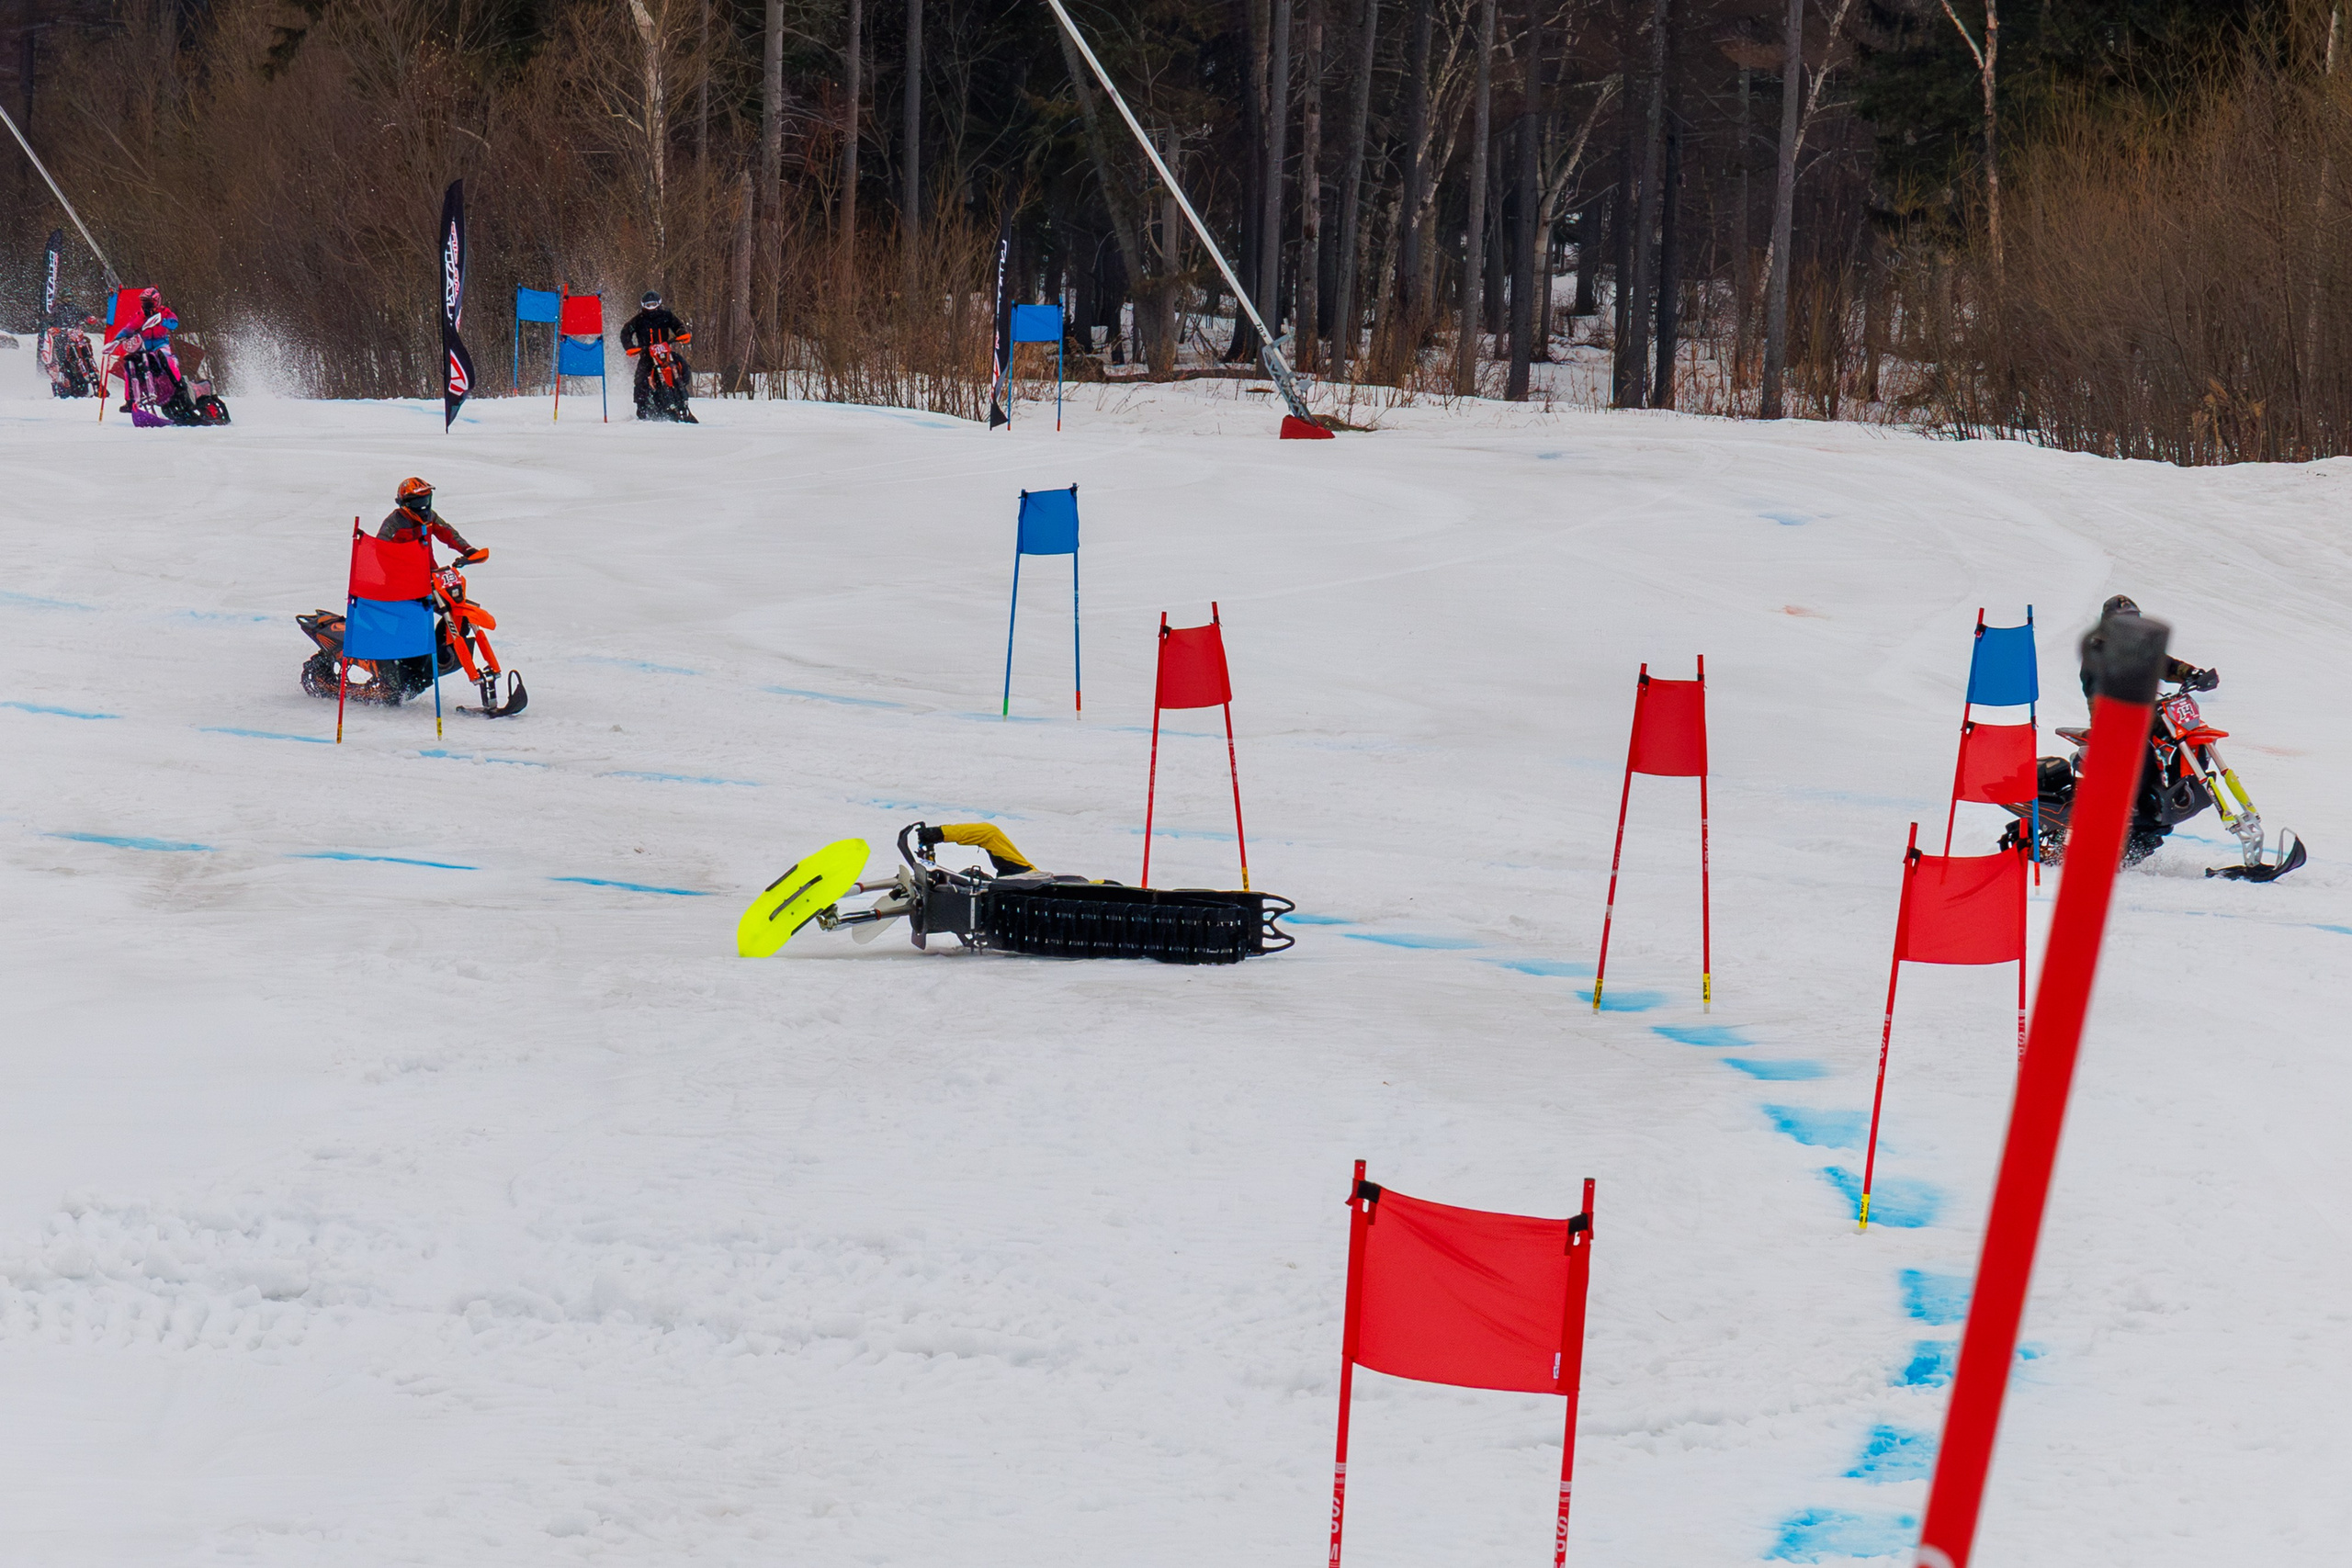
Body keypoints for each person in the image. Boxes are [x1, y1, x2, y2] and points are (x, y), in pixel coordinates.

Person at [376, 478, 486, 692]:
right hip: (401, 584)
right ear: (405, 503)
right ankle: (407, 664)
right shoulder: (394, 524)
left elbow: (448, 533)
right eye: (417, 502)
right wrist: (402, 571)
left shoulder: (430, 518)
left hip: (430, 577)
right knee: (414, 621)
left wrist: (468, 550)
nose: (423, 506)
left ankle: (441, 653)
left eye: (426, 499)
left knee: (457, 610)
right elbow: (380, 551)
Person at [2077, 595, 2217, 703]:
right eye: (2124, 621)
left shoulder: (2139, 648)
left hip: (2144, 705)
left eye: (2133, 620)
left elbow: (2164, 664)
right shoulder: (2099, 650)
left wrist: (2192, 673)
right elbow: (2091, 685)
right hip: (2112, 712)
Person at [619, 290, 695, 421]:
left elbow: (677, 325)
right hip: (647, 354)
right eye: (648, 305)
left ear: (658, 303)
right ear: (643, 305)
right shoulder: (638, 320)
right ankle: (641, 407)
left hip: (665, 352)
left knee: (682, 365)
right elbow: (626, 332)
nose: (651, 307)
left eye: (653, 304)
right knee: (640, 378)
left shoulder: (666, 315)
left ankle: (681, 394)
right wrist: (630, 347)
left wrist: (681, 333)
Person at [109, 287, 182, 412]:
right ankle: (130, 400)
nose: (147, 305)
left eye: (149, 302)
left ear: (157, 301)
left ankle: (179, 386)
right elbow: (129, 328)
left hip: (160, 345)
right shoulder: (140, 316)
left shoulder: (164, 312)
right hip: (144, 347)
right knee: (129, 364)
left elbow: (174, 323)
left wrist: (162, 321)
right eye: (144, 302)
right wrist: (116, 340)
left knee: (166, 358)